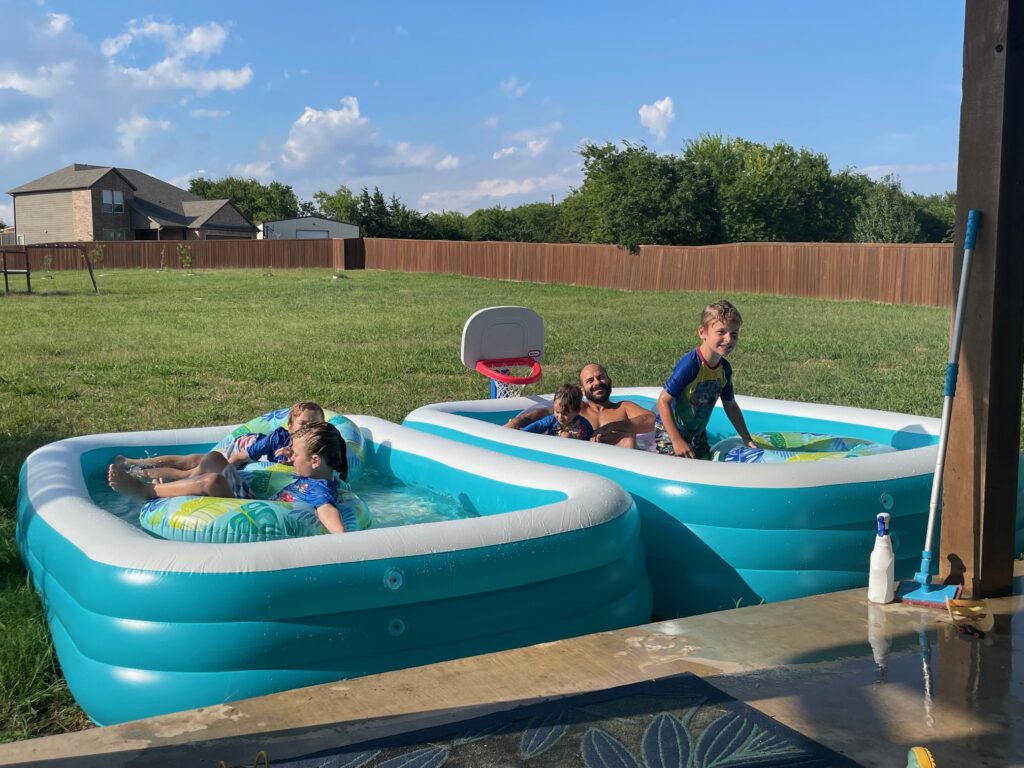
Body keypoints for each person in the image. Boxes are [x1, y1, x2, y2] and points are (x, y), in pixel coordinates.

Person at [108, 422, 352, 533]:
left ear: (315, 461)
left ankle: (146, 491)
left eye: (296, 454)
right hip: (252, 500)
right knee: (214, 459)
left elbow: (327, 510)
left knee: (213, 481)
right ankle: (180, 485)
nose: (292, 457)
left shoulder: (321, 488)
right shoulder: (315, 475)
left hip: (250, 513)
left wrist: (341, 538)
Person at [116, 401, 325, 480]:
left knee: (196, 459)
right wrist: (223, 473)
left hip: (249, 450)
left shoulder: (321, 445)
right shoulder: (277, 439)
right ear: (290, 426)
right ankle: (136, 468)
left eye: (315, 424)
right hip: (244, 446)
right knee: (191, 468)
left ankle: (135, 467)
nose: (308, 428)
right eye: (303, 424)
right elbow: (239, 458)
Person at [654, 299, 756, 460]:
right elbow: (663, 401)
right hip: (671, 430)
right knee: (679, 468)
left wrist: (747, 438)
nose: (729, 339)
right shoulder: (690, 364)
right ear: (702, 332)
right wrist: (676, 440)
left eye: (734, 334)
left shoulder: (724, 369)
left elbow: (730, 405)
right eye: (721, 332)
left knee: (705, 466)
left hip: (697, 432)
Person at [505, 363, 654, 448]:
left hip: (614, 464)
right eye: (590, 381)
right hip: (580, 464)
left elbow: (651, 420)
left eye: (601, 377)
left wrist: (613, 426)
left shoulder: (623, 407)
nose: (597, 383)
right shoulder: (576, 408)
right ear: (582, 390)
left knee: (628, 438)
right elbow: (543, 415)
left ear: (609, 382)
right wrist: (516, 422)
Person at [516, 383, 594, 440]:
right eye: (557, 412)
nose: (560, 417)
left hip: (573, 452)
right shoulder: (552, 419)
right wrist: (522, 433)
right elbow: (538, 425)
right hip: (552, 448)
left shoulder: (584, 425)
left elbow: (590, 440)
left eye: (565, 414)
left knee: (566, 436)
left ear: (577, 411)